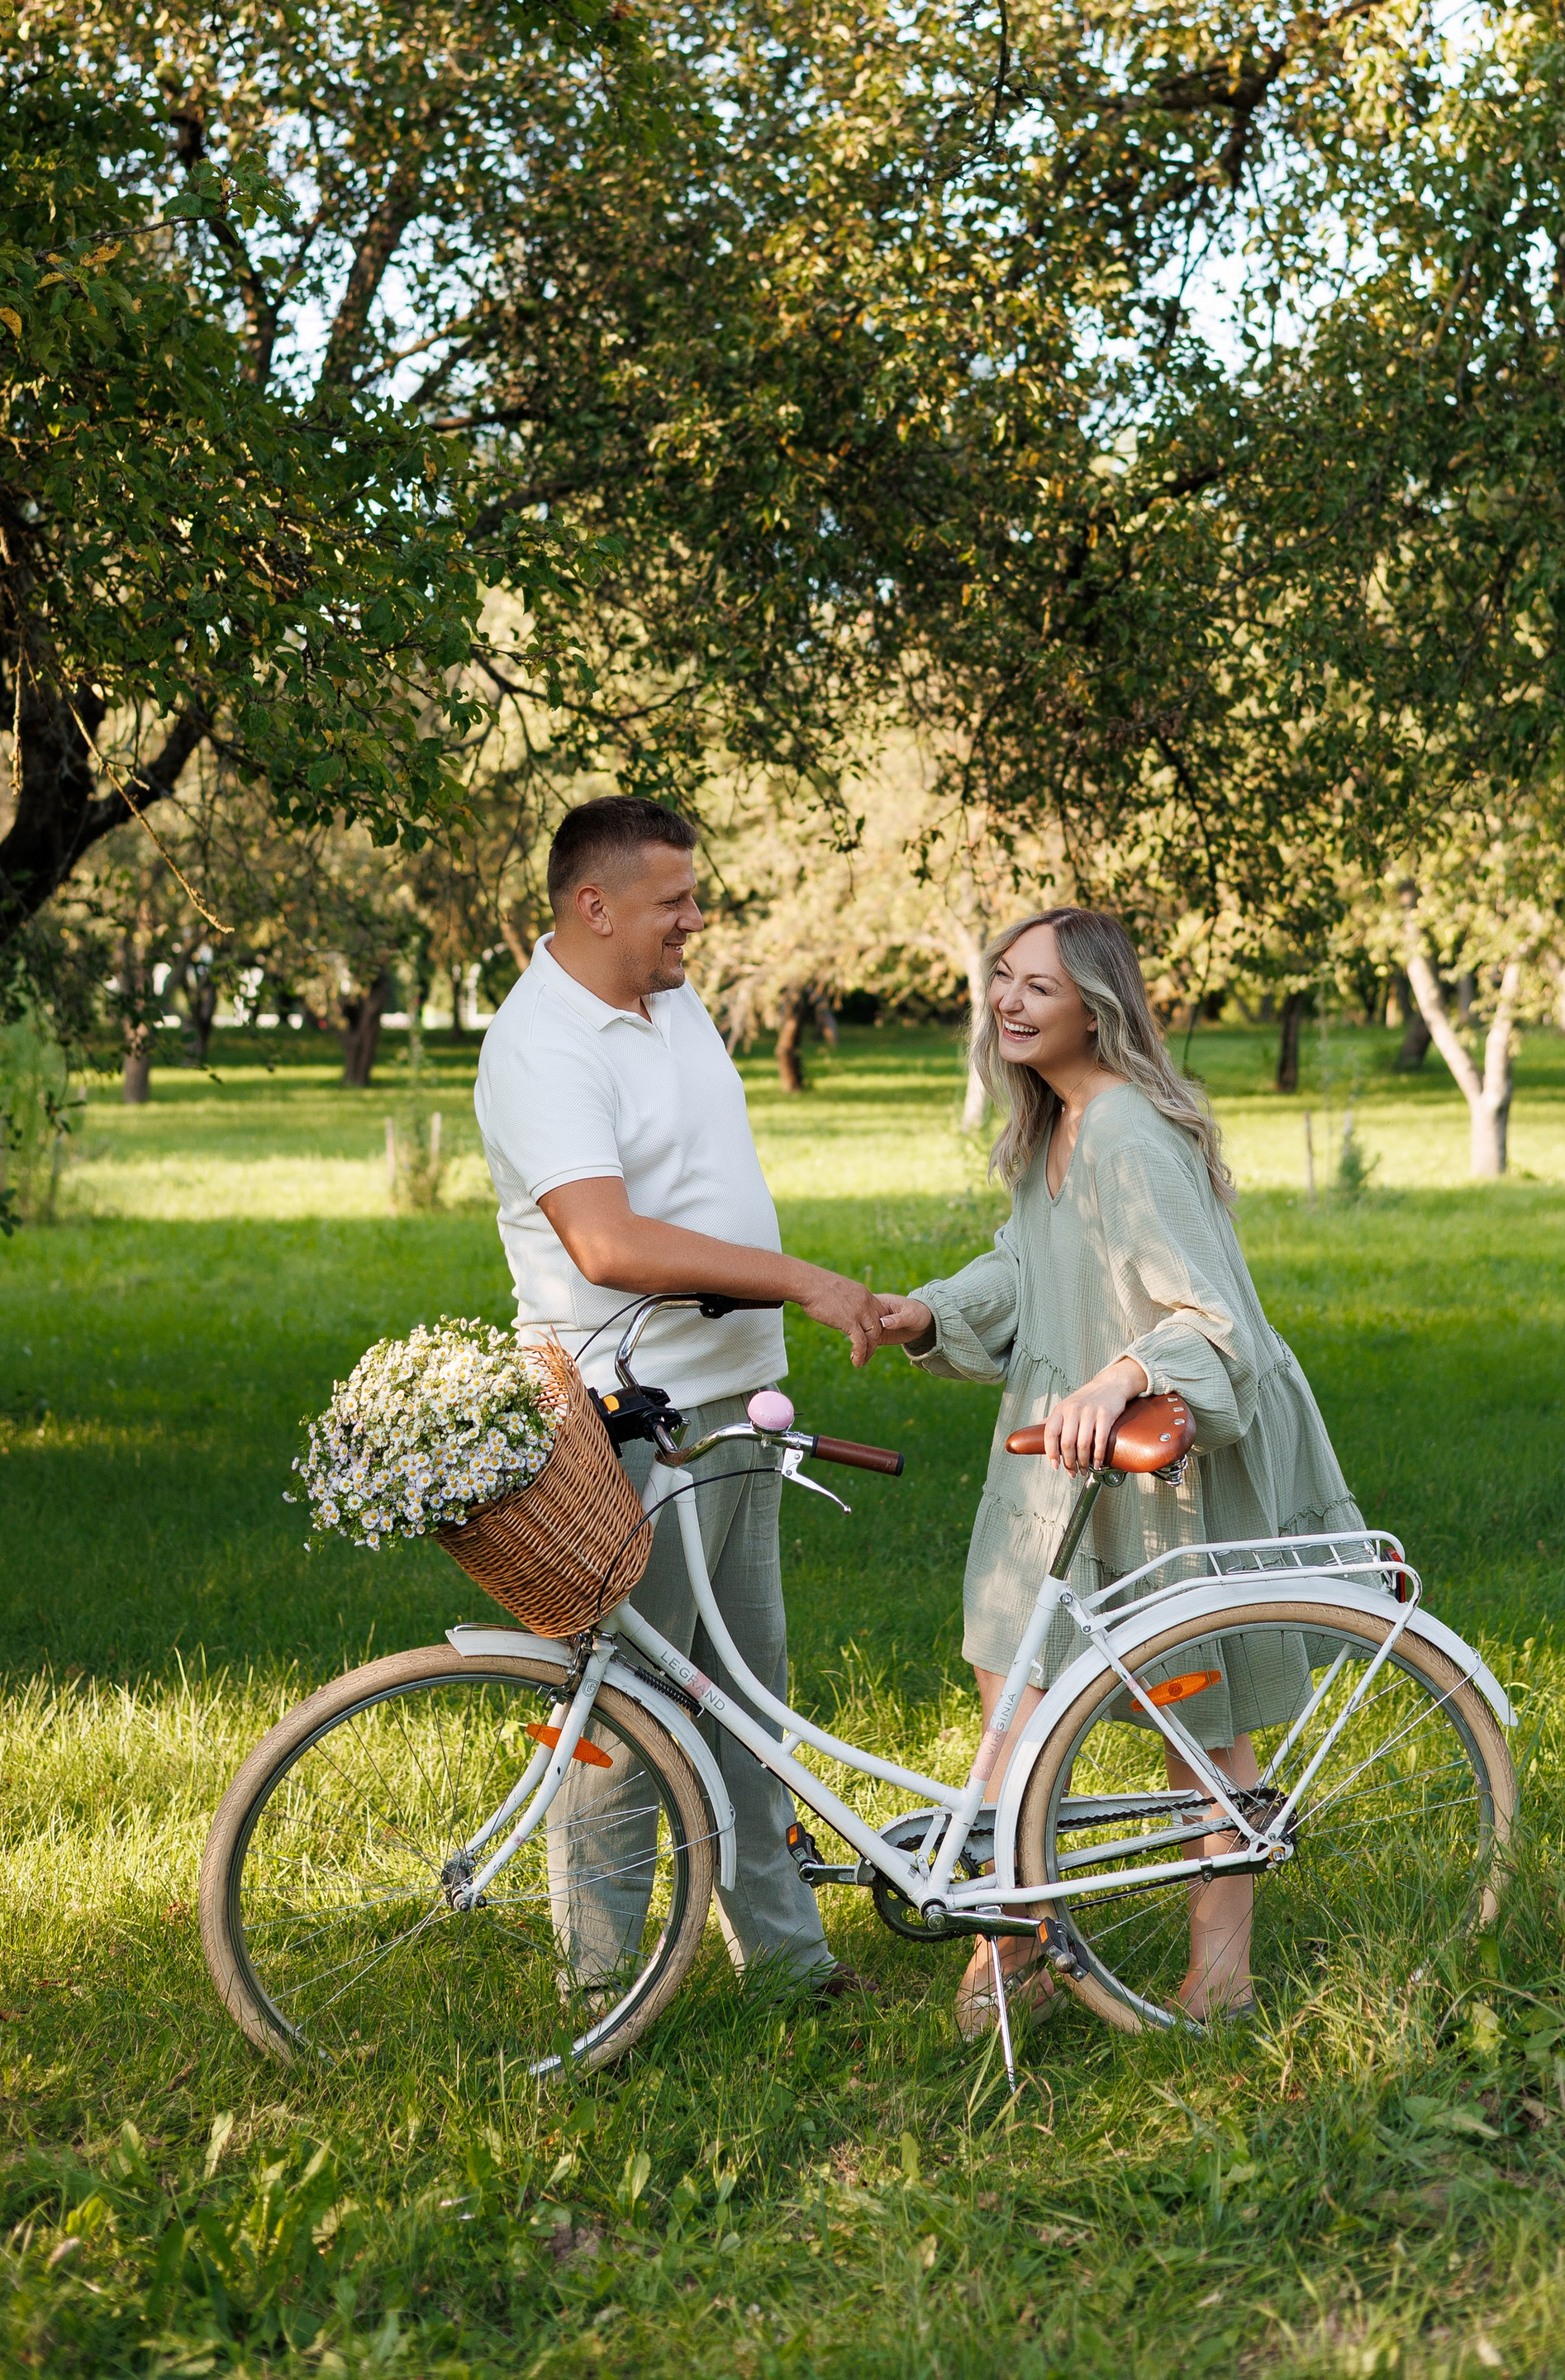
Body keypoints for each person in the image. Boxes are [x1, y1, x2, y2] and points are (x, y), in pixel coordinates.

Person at [871, 906, 1361, 2034]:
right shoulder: (1054, 1126)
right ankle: (1016, 1949)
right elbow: (1027, 1267)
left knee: (1200, 1718)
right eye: (1000, 979)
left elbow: (1214, 1317)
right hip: (1054, 1454)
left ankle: (1221, 1977)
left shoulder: (1131, 1130)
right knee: (1012, 1694)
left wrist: (1124, 1372)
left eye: (1036, 986)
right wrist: (927, 1313)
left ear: (1097, 1005)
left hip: (1158, 1461)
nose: (1008, 1001)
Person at [473, 793, 882, 1998]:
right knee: (622, 1726)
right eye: (673, 904)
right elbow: (605, 1243)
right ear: (592, 907)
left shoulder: (667, 997)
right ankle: (605, 1997)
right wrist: (802, 1279)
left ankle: (789, 1965)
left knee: (749, 1700)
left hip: (737, 1407)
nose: (696, 923)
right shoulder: (540, 1046)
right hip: (623, 1430)